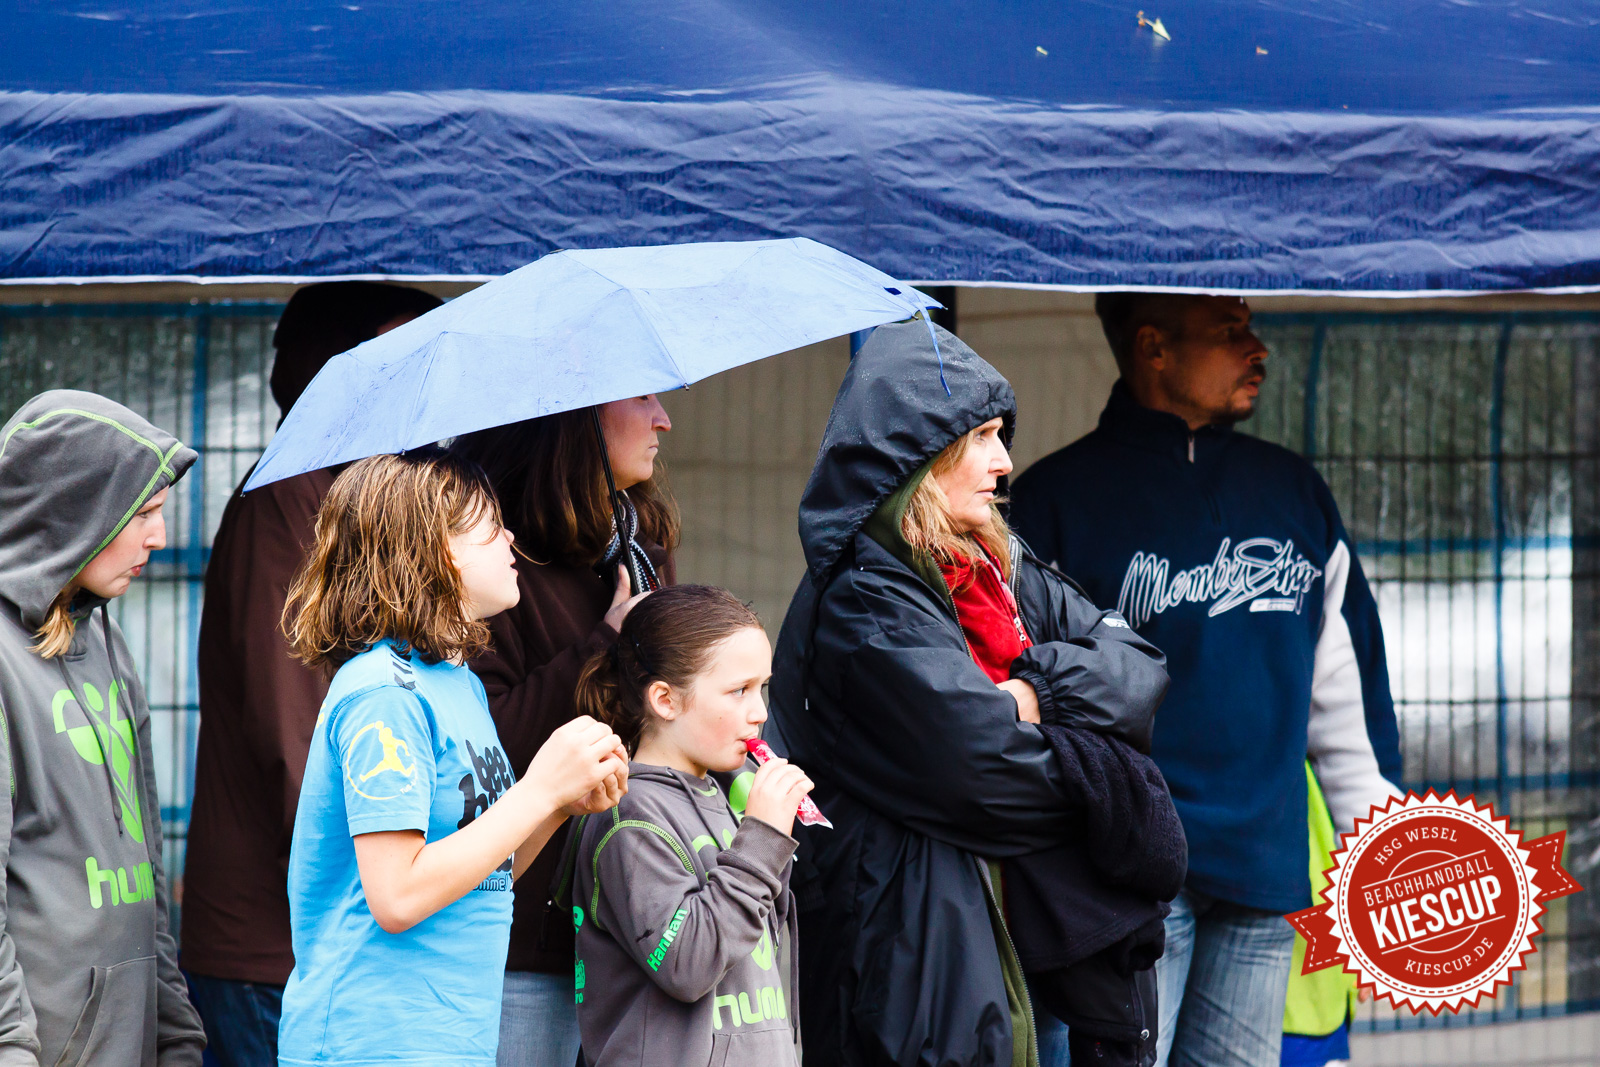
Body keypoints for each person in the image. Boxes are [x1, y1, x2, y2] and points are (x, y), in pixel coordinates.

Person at [1009, 294, 1402, 1067]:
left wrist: (1382, 859)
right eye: (1231, 332)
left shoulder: (1294, 492)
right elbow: (1020, 694)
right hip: (1127, 871)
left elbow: (1347, 697)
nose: (1258, 348)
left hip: (1265, 862)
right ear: (1153, 347)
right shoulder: (1057, 499)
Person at [766, 320, 1171, 1067]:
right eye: (981, 435)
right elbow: (983, 773)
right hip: (922, 975)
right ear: (918, 452)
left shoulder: (996, 566)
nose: (1005, 461)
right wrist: (1103, 772)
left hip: (1037, 942)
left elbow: (1140, 667)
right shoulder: (864, 598)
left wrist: (1034, 690)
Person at [275, 449, 628, 1067]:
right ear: (435, 551)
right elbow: (399, 895)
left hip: (450, 1041)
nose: (511, 538)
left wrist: (559, 806)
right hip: (372, 1045)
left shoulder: (456, 684)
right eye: (491, 525)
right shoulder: (385, 691)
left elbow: (482, 874)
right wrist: (537, 792)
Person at [182, 281, 443, 1067]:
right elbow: (294, 733)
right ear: (338, 369)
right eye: (399, 354)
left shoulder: (357, 505)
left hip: (336, 929)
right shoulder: (289, 502)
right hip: (276, 944)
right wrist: (402, 882)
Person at [450, 397, 677, 1067]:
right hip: (527, 945)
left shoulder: (635, 550)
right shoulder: (495, 574)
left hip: (633, 929)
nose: (663, 418)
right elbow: (488, 754)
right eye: (640, 396)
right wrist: (607, 639)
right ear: (573, 414)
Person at [0, 390, 207, 1065]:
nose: (162, 537)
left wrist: (176, 1032)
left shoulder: (109, 642)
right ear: (73, 510)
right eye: (143, 514)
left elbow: (147, 871)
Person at [569, 584, 810, 1066]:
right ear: (665, 699)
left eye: (761, 688)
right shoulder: (628, 814)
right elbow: (688, 963)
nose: (760, 711)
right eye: (739, 690)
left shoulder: (721, 792)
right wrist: (760, 841)